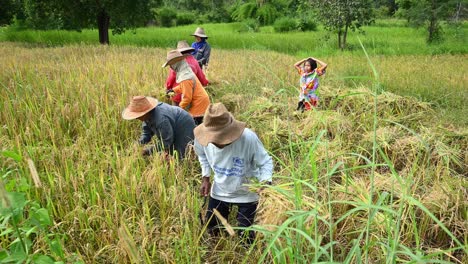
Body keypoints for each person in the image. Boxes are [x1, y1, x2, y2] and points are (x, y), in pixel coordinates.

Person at [194, 103, 273, 244]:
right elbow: (202, 155)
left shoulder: (248, 138)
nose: (219, 142)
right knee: (212, 229)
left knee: (246, 237)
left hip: (247, 192)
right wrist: (205, 177)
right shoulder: (201, 138)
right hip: (220, 190)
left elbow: (265, 162)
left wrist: (265, 183)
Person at [122, 95, 195, 159]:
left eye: (137, 115)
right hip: (173, 122)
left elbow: (166, 141)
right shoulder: (146, 117)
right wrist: (138, 144)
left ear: (145, 112)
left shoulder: (161, 120)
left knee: (179, 154)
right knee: (169, 151)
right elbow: (146, 134)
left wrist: (148, 151)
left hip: (184, 125)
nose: (136, 118)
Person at [163, 50, 210, 125]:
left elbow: (187, 98)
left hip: (199, 103)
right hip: (201, 100)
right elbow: (184, 87)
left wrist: (178, 109)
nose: (171, 67)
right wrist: (173, 90)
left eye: (171, 64)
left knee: (194, 126)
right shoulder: (185, 72)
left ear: (176, 63)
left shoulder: (185, 77)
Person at [165, 40, 209, 106]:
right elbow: (201, 78)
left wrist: (168, 89)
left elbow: (170, 80)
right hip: (190, 96)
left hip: (177, 96)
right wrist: (206, 83)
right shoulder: (194, 62)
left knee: (176, 114)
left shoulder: (176, 63)